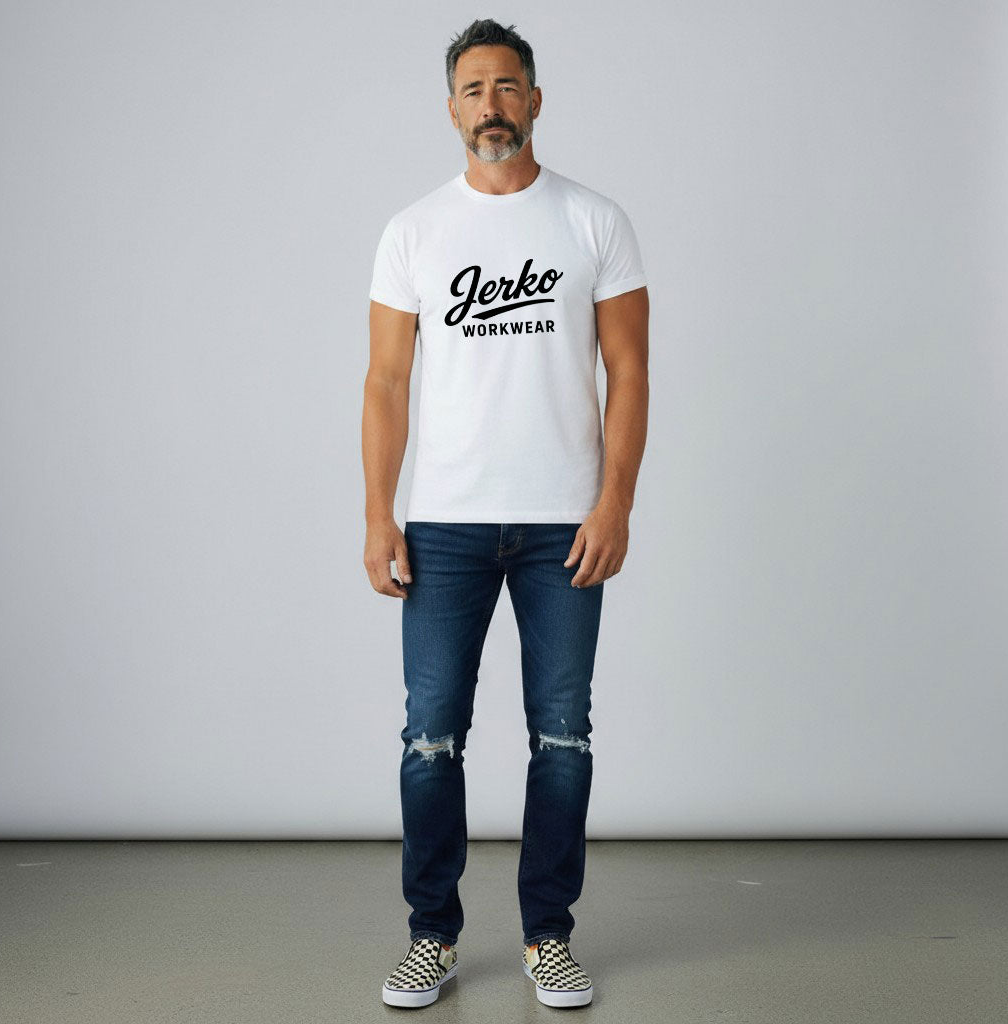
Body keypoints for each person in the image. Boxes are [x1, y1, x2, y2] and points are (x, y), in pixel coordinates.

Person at [362, 17, 649, 1009]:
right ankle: (431, 936)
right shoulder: (413, 231)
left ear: (535, 99)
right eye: (474, 89)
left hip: (564, 524)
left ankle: (547, 937)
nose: (492, 105)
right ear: (451, 109)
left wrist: (614, 503)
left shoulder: (594, 221)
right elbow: (386, 382)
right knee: (430, 737)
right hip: (444, 522)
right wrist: (379, 515)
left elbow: (629, 372)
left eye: (508, 86)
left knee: (561, 737)